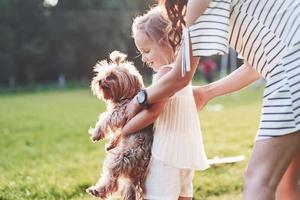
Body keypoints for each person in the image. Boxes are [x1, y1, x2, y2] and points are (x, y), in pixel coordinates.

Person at [126, 0, 300, 199]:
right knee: (286, 183)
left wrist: (138, 101)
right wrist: (206, 92)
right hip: (292, 58)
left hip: (293, 66)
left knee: (259, 181)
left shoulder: (197, 2)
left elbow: (181, 75)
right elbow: (254, 67)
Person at [114, 6, 210, 200]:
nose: (144, 58)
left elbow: (152, 113)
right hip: (186, 154)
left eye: (147, 50)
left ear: (166, 41)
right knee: (184, 196)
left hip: (167, 153)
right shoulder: (182, 71)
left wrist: (122, 132)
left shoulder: (166, 75)